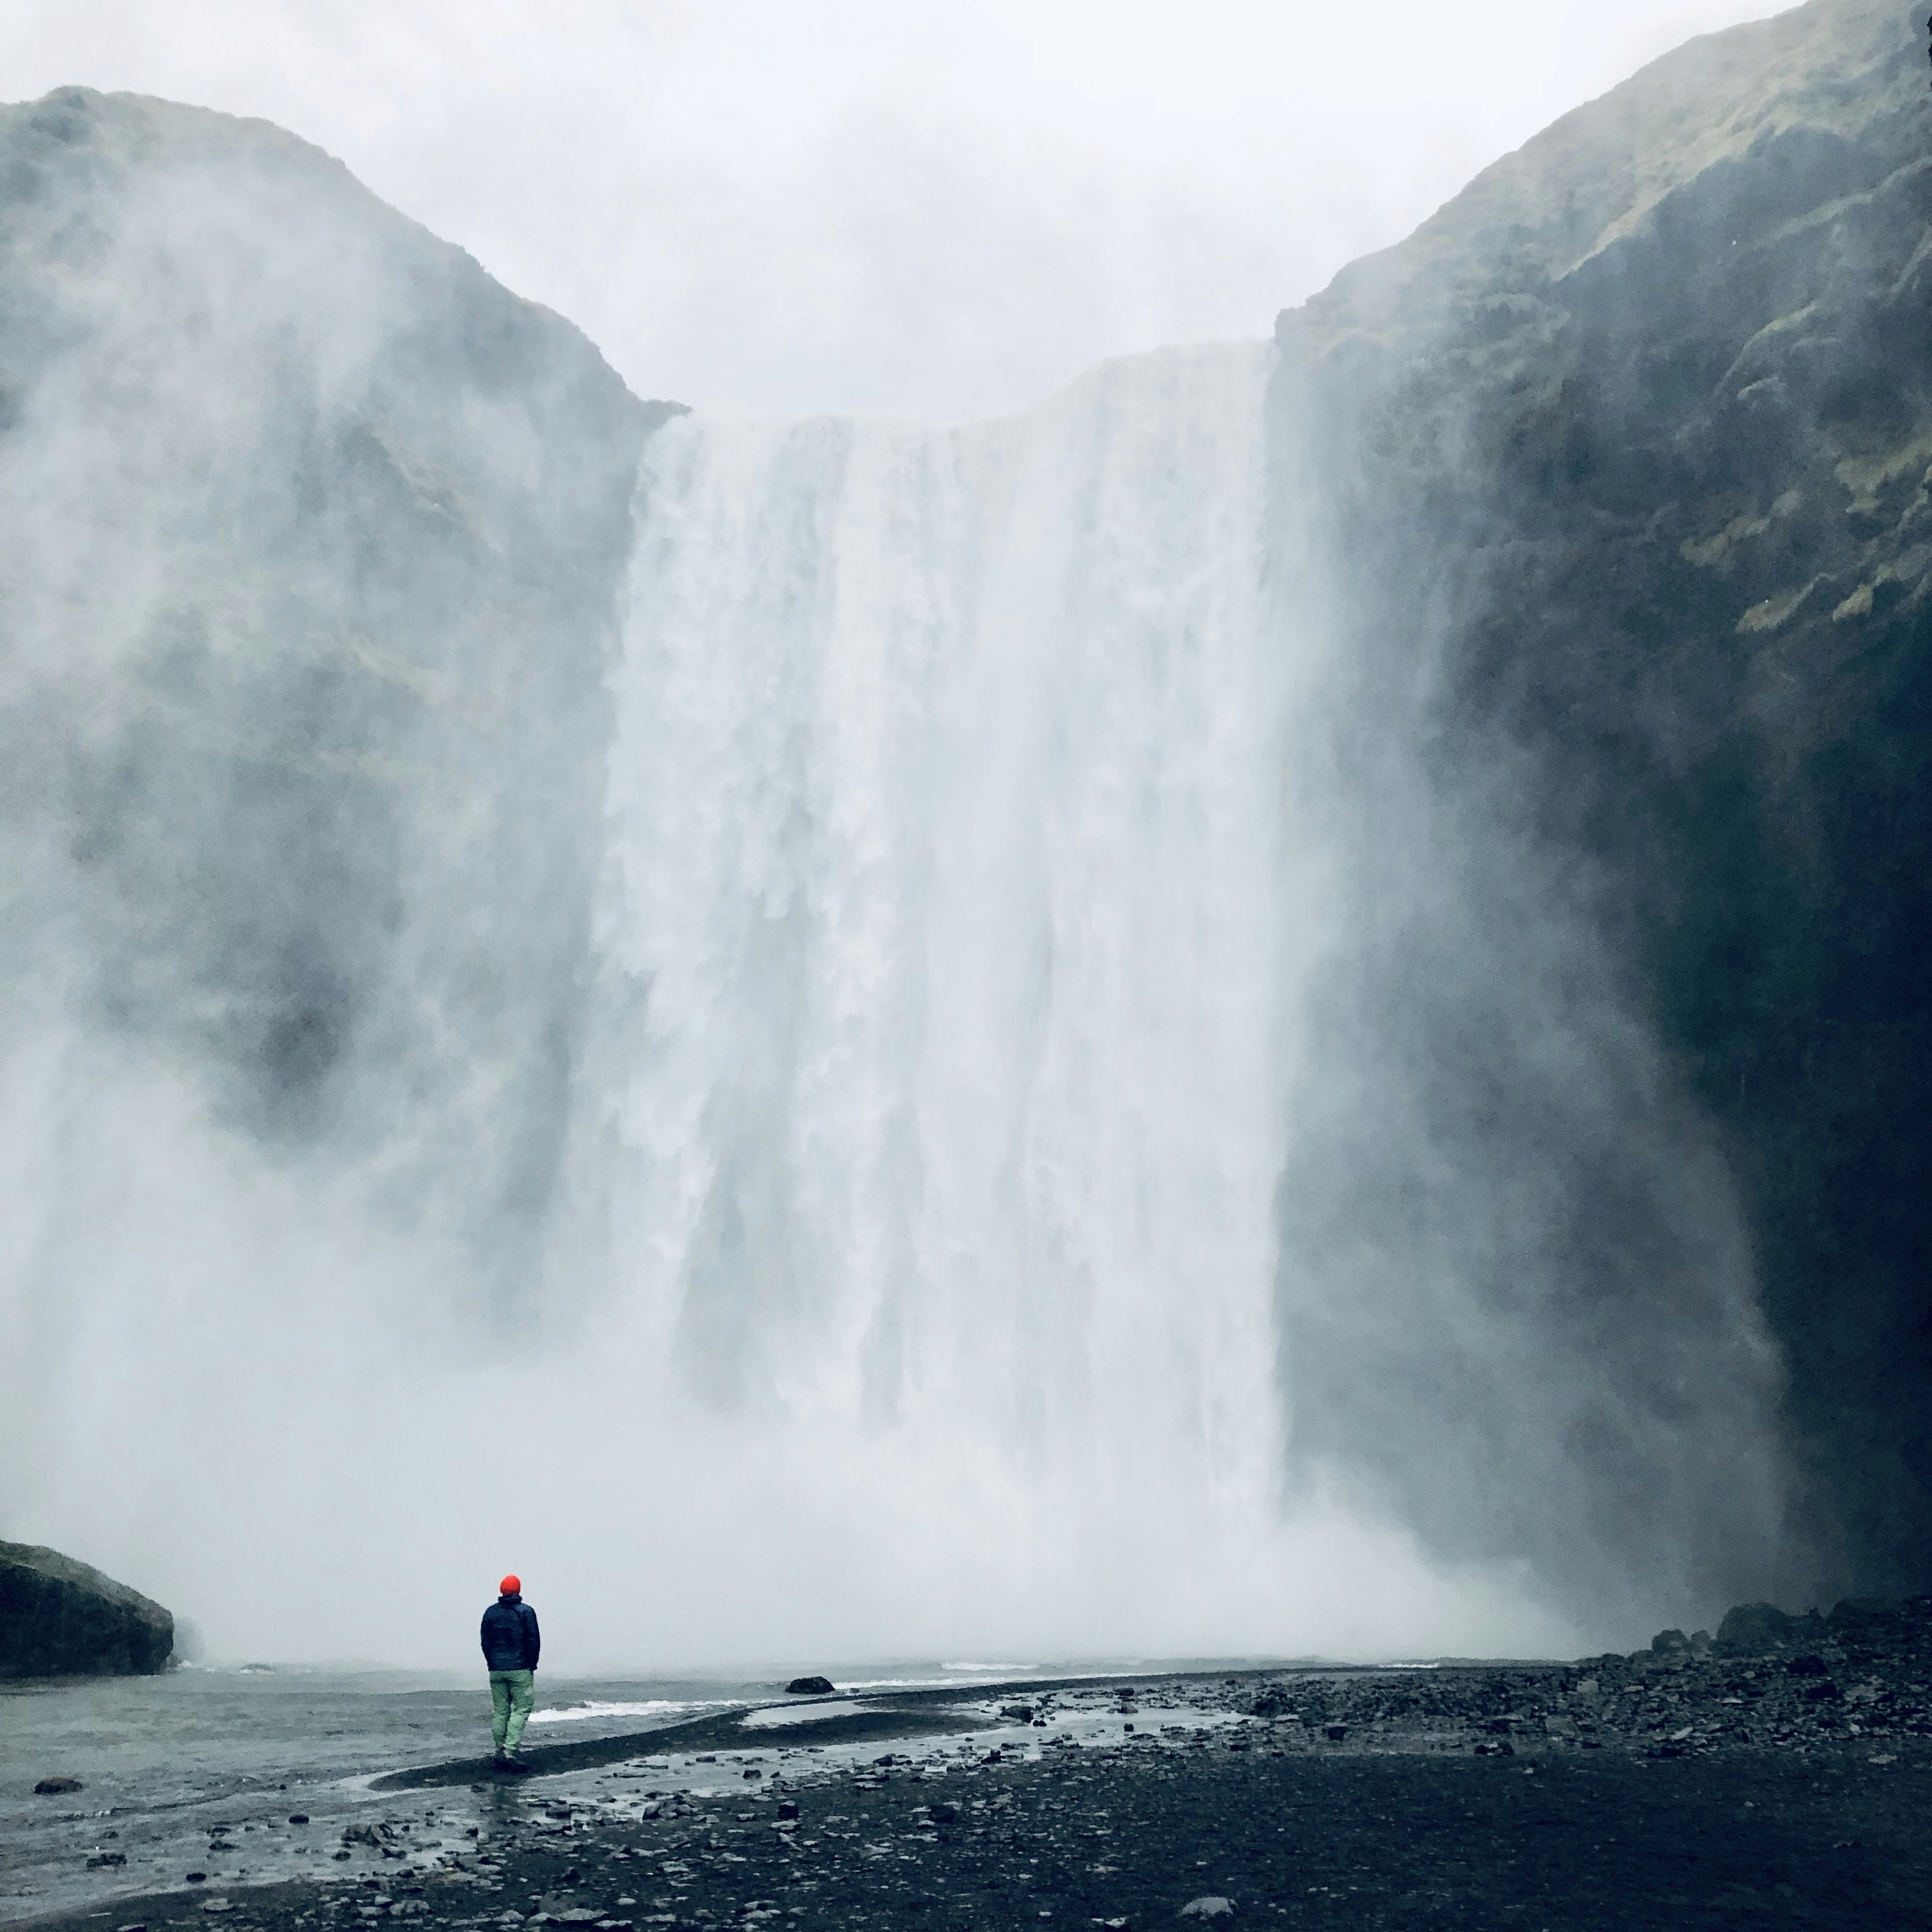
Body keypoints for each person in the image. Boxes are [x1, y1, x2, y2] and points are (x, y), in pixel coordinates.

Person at [480, 1574, 540, 1769]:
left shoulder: (490, 1613)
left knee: (500, 1710)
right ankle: (509, 1749)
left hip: (496, 1669)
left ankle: (500, 1748)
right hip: (519, 1667)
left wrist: (492, 1662)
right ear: (518, 1590)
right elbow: (533, 1641)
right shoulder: (526, 1612)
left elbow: (485, 1642)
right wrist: (532, 1664)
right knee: (522, 1708)